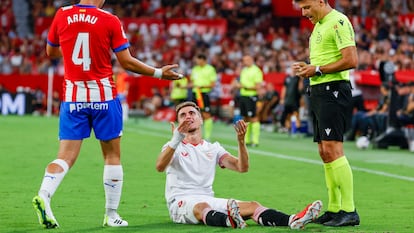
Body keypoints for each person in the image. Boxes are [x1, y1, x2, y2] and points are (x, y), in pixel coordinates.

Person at [32, 0, 183, 229]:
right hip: (103, 96)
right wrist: (159, 73)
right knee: (112, 157)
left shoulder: (61, 15)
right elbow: (126, 61)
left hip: (73, 96)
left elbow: (51, 52)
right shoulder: (109, 19)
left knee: (65, 157)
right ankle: (111, 215)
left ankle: (44, 194)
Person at [155, 101, 322, 229]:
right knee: (201, 207)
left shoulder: (213, 148)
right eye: (183, 115)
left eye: (192, 113)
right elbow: (160, 166)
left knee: (253, 206)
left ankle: (293, 220)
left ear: (201, 119)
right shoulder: (173, 147)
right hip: (180, 203)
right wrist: (176, 139)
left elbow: (242, 167)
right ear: (177, 123)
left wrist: (241, 142)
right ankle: (229, 220)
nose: (188, 117)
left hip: (207, 198)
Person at [292, 0, 360, 227]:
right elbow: (323, 62)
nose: (304, 13)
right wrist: (309, 69)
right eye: (302, 8)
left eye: (307, 7)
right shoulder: (319, 25)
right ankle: (334, 208)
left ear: (321, 1)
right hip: (320, 90)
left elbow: (351, 60)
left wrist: (318, 69)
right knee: (324, 151)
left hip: (334, 91)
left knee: (333, 148)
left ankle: (349, 210)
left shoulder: (338, 21)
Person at [237, 55, 263, 147]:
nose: (245, 62)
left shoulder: (256, 71)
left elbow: (258, 86)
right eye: (244, 60)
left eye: (247, 60)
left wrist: (245, 87)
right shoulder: (244, 70)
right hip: (243, 96)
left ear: (252, 60)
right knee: (245, 118)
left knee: (254, 117)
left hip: (251, 96)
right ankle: (247, 140)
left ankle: (255, 141)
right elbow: (241, 83)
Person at [189, 53, 217, 141]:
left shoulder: (210, 69)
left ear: (203, 60)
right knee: (193, 115)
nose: (196, 62)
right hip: (195, 94)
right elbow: (192, 82)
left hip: (204, 94)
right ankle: (195, 134)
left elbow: (212, 84)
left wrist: (202, 87)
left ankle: (207, 136)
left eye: (198, 60)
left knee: (206, 115)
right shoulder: (195, 69)